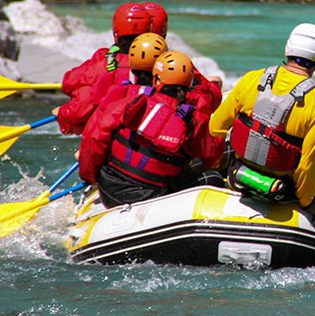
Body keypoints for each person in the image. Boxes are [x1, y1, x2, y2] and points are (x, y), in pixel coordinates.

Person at [210, 23, 315, 217]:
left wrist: (218, 167)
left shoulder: (252, 79)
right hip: (281, 191)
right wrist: (308, 202)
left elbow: (215, 129)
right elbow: (310, 165)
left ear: (288, 49)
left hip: (238, 176)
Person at [78, 51, 225, 208]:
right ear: (189, 84)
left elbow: (95, 139)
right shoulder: (195, 119)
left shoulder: (130, 101)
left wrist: (90, 177)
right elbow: (213, 159)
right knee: (213, 178)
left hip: (107, 188)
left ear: (156, 79)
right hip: (150, 198)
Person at [54, 3, 151, 135]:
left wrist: (63, 113)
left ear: (116, 30)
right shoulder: (162, 65)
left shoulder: (104, 62)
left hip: (113, 139)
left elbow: (79, 105)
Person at [141, 1, 222, 115]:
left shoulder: (109, 59)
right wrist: (214, 85)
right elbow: (208, 102)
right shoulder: (175, 63)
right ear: (163, 30)